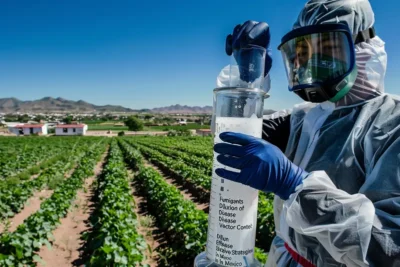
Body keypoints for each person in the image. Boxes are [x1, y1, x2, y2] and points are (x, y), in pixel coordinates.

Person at [214, 0, 400, 266]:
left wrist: (297, 186)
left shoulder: (392, 124)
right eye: (302, 52)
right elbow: (229, 137)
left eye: (326, 48)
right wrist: (249, 80)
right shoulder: (303, 118)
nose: (310, 62)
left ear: (362, 48)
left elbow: (389, 247)